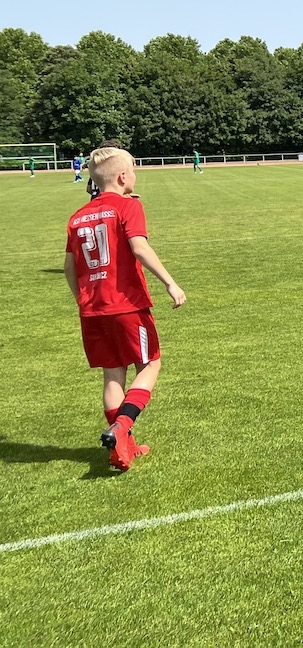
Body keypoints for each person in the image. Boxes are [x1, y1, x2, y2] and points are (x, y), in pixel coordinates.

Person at [64, 146, 186, 472]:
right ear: (122, 177)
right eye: (132, 170)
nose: (134, 175)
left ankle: (123, 447)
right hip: (127, 304)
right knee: (150, 364)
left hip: (92, 309)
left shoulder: (78, 216)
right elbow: (139, 247)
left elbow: (69, 267)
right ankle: (122, 427)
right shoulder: (128, 206)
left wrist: (82, 298)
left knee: (113, 373)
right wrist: (170, 283)